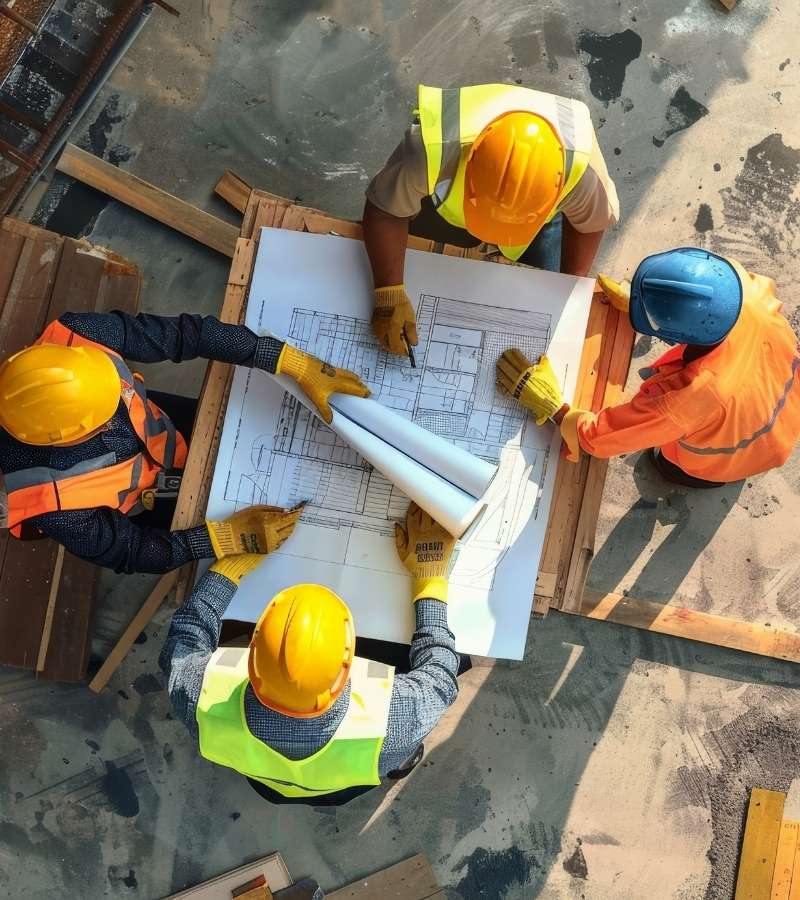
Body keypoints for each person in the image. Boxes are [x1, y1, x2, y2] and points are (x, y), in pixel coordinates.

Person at [0, 310, 369, 572]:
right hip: (153, 496)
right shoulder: (50, 502)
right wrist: (218, 539)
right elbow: (130, 552)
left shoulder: (76, 337)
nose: (118, 403)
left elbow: (185, 335)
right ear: (66, 438)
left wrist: (281, 358)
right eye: (107, 412)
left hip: (164, 426)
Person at [160, 502, 460, 805]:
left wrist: (229, 569)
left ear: (253, 648)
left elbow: (185, 637)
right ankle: (400, 764)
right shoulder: (396, 724)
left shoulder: (199, 700)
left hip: (267, 781)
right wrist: (430, 581)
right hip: (344, 785)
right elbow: (440, 674)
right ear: (348, 665)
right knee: (400, 750)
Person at [497, 248, 800, 487]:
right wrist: (648, 304)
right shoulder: (740, 286)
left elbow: (598, 439)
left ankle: (693, 476)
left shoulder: (685, 401)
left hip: (739, 456)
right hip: (788, 410)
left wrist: (554, 408)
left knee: (668, 465)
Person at [363, 82, 619, 355]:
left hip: (541, 224)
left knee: (547, 299)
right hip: (446, 203)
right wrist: (389, 293)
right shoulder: (429, 152)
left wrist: (569, 290)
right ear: (469, 164)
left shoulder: (585, 176)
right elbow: (385, 209)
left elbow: (590, 225)